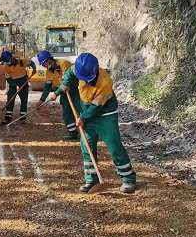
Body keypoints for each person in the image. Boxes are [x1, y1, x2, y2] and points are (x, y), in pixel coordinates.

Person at [49, 53, 136, 194]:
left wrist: (82, 117)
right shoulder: (77, 69)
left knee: (114, 146)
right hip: (86, 111)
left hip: (105, 115)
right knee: (86, 145)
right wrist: (63, 85)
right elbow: (70, 74)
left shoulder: (105, 83)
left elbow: (97, 107)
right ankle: (91, 180)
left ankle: (128, 178)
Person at [35, 50, 79, 140]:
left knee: (80, 110)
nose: (44, 66)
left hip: (76, 91)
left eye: (44, 64)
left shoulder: (64, 64)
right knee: (67, 114)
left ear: (49, 60)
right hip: (64, 93)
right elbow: (47, 87)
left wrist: (55, 93)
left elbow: (67, 81)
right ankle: (73, 134)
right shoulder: (49, 72)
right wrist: (42, 100)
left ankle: (88, 133)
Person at [0, 50, 36, 124]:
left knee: (24, 101)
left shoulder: (22, 62)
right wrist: (15, 86)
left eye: (8, 61)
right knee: (10, 100)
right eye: (6, 61)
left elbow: (31, 63)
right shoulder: (6, 67)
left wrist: (34, 69)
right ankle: (8, 117)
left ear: (11, 58)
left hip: (24, 85)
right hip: (13, 85)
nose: (7, 63)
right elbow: (8, 78)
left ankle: (23, 118)